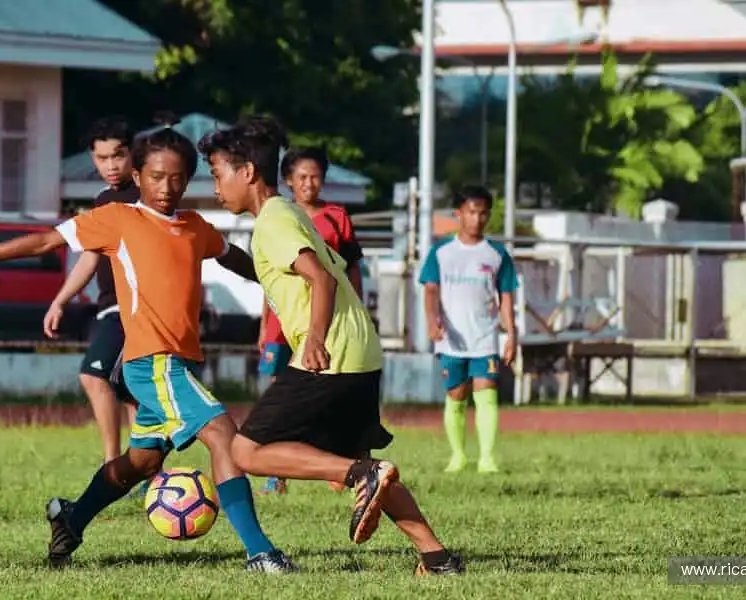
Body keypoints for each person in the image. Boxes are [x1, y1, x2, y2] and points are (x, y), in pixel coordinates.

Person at [0, 116, 297, 573]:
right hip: (152, 363)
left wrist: (290, 274)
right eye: (157, 176)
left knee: (138, 464)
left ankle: (71, 517)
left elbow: (240, 260)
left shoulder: (195, 227)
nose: (167, 187)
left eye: (178, 178)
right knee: (223, 436)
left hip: (177, 365)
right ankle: (260, 553)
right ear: (137, 176)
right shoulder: (118, 219)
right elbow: (45, 240)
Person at [200, 116, 465, 576]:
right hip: (361, 351)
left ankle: (359, 477)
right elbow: (300, 270)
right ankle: (436, 557)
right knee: (366, 464)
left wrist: (316, 340)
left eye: (217, 173)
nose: (215, 186)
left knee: (245, 451)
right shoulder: (289, 214)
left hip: (329, 353)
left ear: (247, 173)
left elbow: (319, 278)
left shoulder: (272, 223)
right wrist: (224, 254)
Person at [257, 146, 364, 496]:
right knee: (278, 395)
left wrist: (357, 311)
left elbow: (351, 269)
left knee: (327, 393)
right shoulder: (278, 216)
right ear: (288, 180)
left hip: (323, 322)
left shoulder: (336, 217)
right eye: (301, 176)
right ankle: (278, 473)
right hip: (281, 324)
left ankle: (338, 464)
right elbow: (269, 278)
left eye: (315, 176)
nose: (309, 183)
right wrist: (263, 326)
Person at [43, 117, 140, 466]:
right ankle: (141, 471)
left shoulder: (147, 198)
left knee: (94, 375)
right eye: (102, 158)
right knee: (131, 393)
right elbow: (89, 258)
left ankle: (113, 468)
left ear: (133, 154)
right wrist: (60, 300)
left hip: (134, 310)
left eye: (118, 155)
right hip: (108, 308)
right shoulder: (103, 201)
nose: (111, 165)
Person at [418, 185, 518, 475]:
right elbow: (430, 291)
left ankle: (487, 459)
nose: (477, 219)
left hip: (485, 337)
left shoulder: (497, 254)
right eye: (471, 212)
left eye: (483, 212)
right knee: (457, 395)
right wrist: (431, 320)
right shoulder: (442, 252)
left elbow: (507, 297)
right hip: (451, 339)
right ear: (458, 214)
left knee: (486, 392)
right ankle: (458, 456)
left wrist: (511, 335)